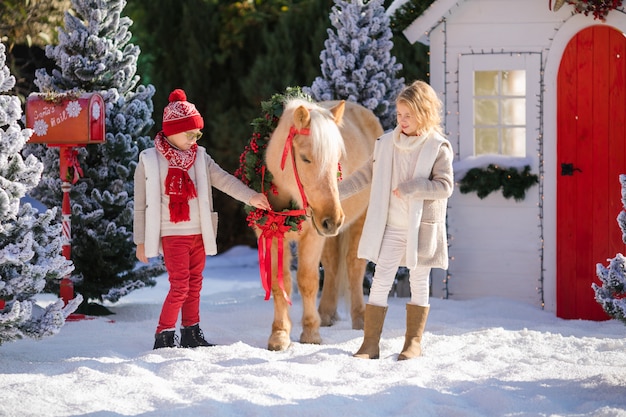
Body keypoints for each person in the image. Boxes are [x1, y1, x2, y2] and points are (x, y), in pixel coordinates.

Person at [133, 89, 271, 350]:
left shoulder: (200, 157)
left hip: (198, 232)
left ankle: (191, 332)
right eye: (189, 133)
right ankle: (163, 334)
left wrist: (251, 197)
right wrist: (140, 240)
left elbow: (224, 180)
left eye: (197, 134)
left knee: (194, 284)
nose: (193, 138)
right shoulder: (150, 161)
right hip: (173, 235)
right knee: (180, 285)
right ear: (172, 130)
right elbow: (140, 205)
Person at [339, 80, 454, 360]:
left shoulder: (438, 147)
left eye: (408, 115)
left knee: (418, 280)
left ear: (424, 114)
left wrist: (414, 186)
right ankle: (370, 344)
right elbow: (364, 176)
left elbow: (445, 186)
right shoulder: (386, 144)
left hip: (420, 230)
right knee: (380, 280)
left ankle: (413, 343)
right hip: (391, 226)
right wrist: (334, 193)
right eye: (399, 115)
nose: (402, 121)